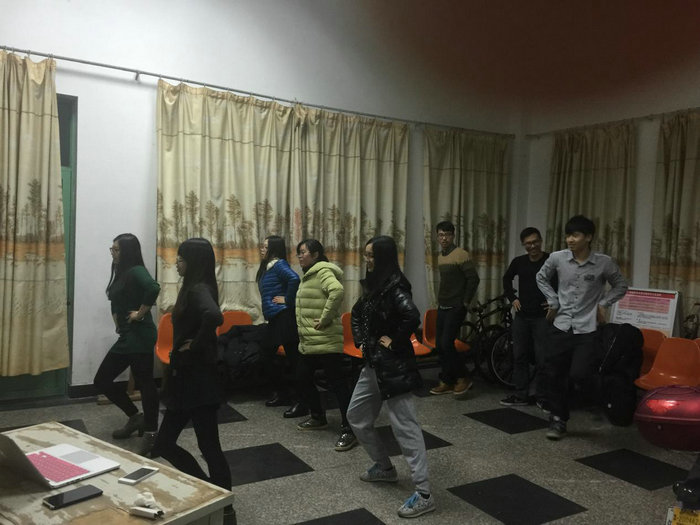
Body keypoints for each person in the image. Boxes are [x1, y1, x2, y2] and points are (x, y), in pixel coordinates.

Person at [348, 236, 435, 519]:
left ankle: (424, 495)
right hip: (373, 364)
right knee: (356, 416)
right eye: (366, 255)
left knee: (405, 428)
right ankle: (384, 468)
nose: (367, 260)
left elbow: (412, 316)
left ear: (384, 257)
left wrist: (394, 341)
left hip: (395, 366)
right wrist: (362, 342)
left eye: (371, 255)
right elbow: (357, 313)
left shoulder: (396, 286)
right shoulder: (375, 285)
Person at [151, 238, 235, 524]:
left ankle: (223, 506)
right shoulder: (195, 286)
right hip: (186, 378)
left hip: (197, 379)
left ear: (194, 261)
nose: (177, 262)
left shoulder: (199, 289)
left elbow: (214, 316)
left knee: (208, 446)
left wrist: (194, 345)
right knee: (168, 444)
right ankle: (212, 492)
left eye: (181, 258)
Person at [536, 215, 628, 441]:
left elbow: (621, 285)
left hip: (587, 329)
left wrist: (603, 304)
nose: (570, 240)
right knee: (554, 373)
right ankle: (558, 419)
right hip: (561, 326)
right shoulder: (557, 258)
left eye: (575, 235)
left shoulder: (603, 263)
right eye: (568, 235)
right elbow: (541, 277)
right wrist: (553, 301)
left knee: (579, 373)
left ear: (588, 237)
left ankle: (593, 400)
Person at [94, 233, 160, 456]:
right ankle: (135, 417)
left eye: (117, 249)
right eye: (112, 249)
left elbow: (153, 288)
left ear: (128, 252)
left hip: (140, 335)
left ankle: (151, 433)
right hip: (127, 335)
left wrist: (140, 314)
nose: (112, 253)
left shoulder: (136, 270)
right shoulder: (121, 272)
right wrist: (118, 323)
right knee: (102, 380)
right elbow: (116, 301)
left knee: (145, 383)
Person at [294, 239, 356, 451]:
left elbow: (337, 291)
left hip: (326, 339)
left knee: (337, 384)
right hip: (310, 341)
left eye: (303, 252)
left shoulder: (322, 270)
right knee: (302, 377)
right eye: (298, 253)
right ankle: (318, 417)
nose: (300, 256)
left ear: (316, 254)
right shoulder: (309, 275)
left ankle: (350, 429)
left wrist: (325, 318)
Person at [500, 227, 552, 408]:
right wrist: (512, 298)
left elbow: (565, 282)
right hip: (522, 317)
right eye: (528, 243)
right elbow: (506, 279)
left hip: (542, 318)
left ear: (541, 241)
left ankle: (542, 397)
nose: (532, 246)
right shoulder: (519, 262)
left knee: (542, 358)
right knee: (519, 356)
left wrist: (555, 302)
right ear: (524, 245)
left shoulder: (550, 260)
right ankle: (521, 394)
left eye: (535, 241)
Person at [429, 221, 480, 398]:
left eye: (447, 235)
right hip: (443, 305)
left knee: (446, 343)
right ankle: (447, 381)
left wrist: (465, 302)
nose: (444, 238)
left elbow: (473, 279)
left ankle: (463, 377)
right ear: (437, 237)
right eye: (441, 235)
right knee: (439, 345)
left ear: (453, 236)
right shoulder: (441, 256)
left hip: (456, 306)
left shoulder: (461, 254)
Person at [256, 235, 304, 415]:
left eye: (265, 246)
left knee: (294, 359)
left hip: (284, 316)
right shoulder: (268, 267)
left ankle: (301, 401)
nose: (262, 249)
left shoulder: (279, 264)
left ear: (274, 249)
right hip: (276, 317)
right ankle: (283, 393)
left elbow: (294, 279)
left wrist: (288, 300)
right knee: (266, 355)